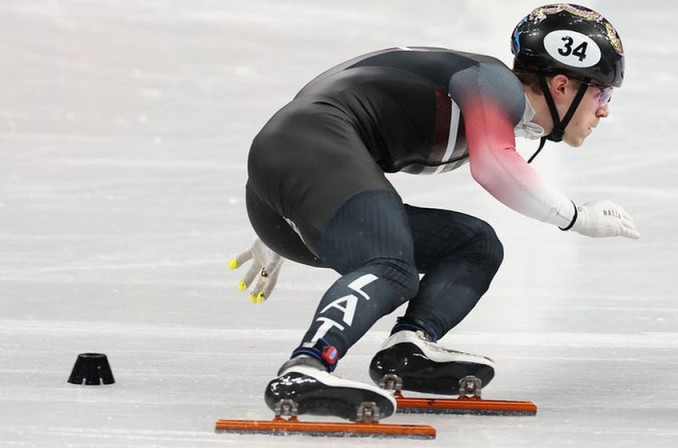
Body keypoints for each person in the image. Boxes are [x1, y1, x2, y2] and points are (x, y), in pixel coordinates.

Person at [229, 3, 640, 422]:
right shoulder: (491, 81)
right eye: (602, 93)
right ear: (560, 85)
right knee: (392, 265)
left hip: (287, 184)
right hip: (300, 159)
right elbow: (495, 168)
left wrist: (293, 209)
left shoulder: (484, 97)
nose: (605, 109)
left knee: (474, 245)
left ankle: (408, 349)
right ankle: (307, 367)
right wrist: (577, 217)